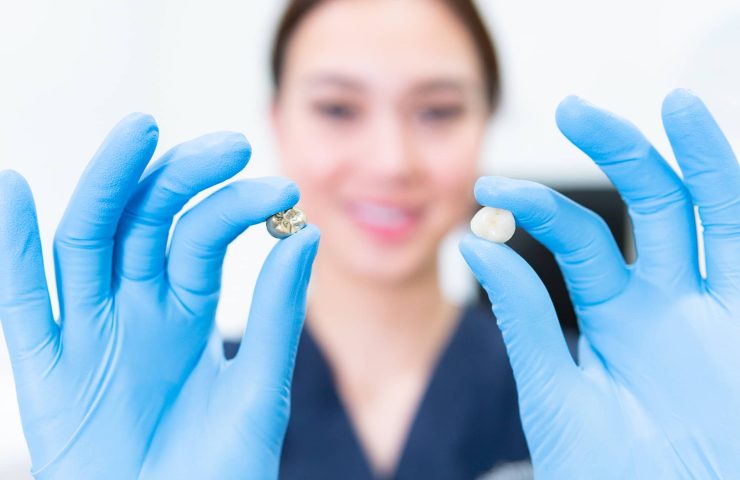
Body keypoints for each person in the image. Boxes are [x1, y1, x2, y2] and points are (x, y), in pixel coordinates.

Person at [0, 1, 738, 480]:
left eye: (438, 111)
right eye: (338, 108)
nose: (390, 160)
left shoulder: (618, 405)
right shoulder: (156, 402)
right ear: (280, 122)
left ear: (484, 127)